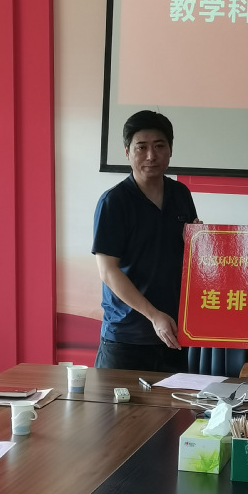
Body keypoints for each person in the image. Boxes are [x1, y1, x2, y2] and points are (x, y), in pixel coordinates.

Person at [92, 110, 199, 372]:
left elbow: (186, 257)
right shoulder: (114, 202)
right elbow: (108, 271)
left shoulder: (180, 194)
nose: (151, 156)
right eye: (141, 147)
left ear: (170, 150)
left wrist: (200, 243)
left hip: (173, 334)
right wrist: (154, 316)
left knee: (176, 401)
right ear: (127, 152)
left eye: (159, 146)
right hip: (126, 338)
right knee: (116, 402)